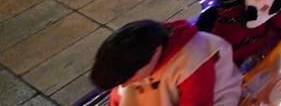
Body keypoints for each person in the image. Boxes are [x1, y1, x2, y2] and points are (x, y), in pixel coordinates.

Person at [89, 18, 241, 106]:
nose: (125, 85)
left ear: (155, 53)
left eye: (128, 80)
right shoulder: (132, 63)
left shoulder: (193, 61)